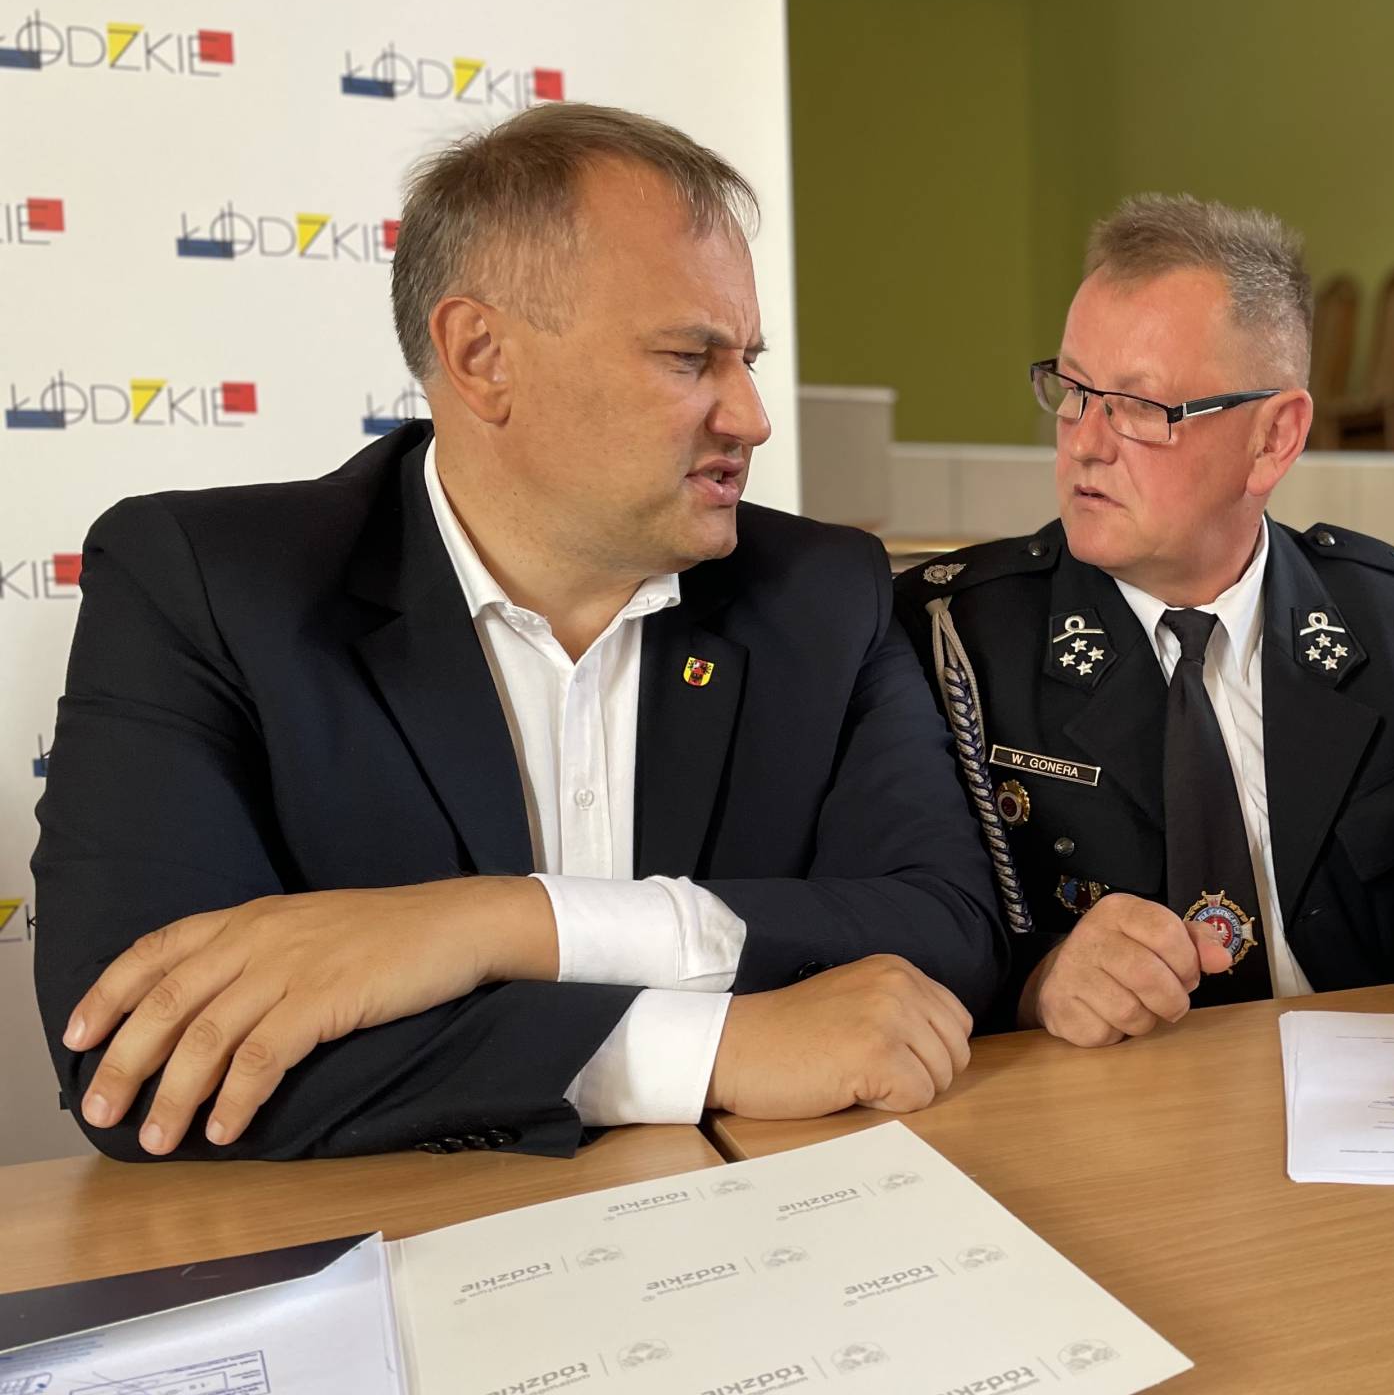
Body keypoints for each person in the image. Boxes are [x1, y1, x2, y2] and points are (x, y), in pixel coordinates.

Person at [33, 103, 1002, 1161]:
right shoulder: (203, 584)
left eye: (747, 360)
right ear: (482, 355)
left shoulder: (822, 591)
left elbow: (948, 934)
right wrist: (704, 1048)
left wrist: (496, 926)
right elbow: (140, 1055)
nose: (750, 418)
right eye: (690, 358)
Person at [897, 194, 1394, 1044]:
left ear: (1274, 439)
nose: (1085, 442)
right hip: (1110, 1102)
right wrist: (1038, 983)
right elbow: (894, 926)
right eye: (1073, 390)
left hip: (1378, 1080)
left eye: (1140, 407)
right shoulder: (954, 638)